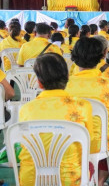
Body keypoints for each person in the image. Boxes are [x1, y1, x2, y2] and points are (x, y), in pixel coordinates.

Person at [18, 53, 93, 185]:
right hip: (69, 179)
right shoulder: (82, 106)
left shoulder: (26, 109)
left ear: (39, 83)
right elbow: (89, 143)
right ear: (68, 77)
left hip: (31, 179)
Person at [66, 37, 109, 185]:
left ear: (74, 57)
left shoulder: (64, 85)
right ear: (103, 55)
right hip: (98, 145)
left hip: (66, 142)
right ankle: (99, 180)